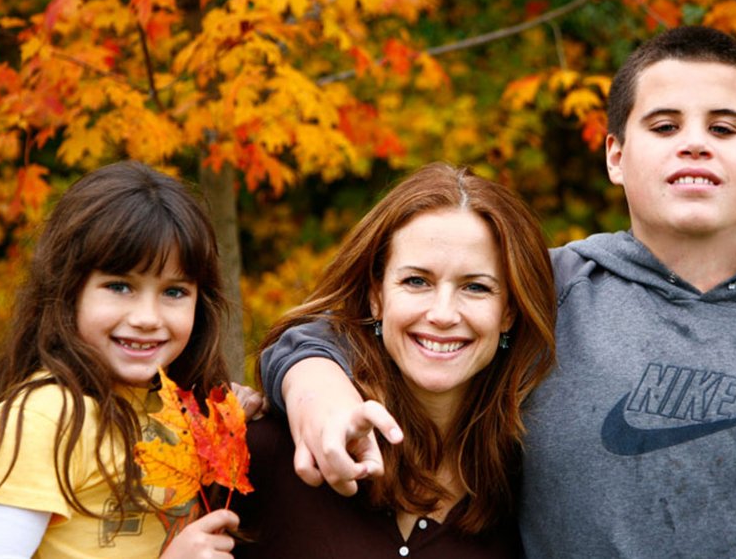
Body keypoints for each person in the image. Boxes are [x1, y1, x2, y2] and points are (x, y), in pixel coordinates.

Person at [258, 26, 736, 558]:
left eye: (724, 128)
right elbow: (346, 330)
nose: (695, 144)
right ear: (614, 154)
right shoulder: (547, 293)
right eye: (665, 125)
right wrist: (317, 390)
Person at [233, 162, 556, 558]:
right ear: (377, 296)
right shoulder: (268, 449)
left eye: (475, 287)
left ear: (508, 312)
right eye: (416, 281)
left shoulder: (530, 486)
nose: (442, 313)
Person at [0, 161, 243, 558]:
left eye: (174, 292)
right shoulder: (45, 420)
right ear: (69, 291)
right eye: (119, 286)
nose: (147, 318)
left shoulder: (176, 409)